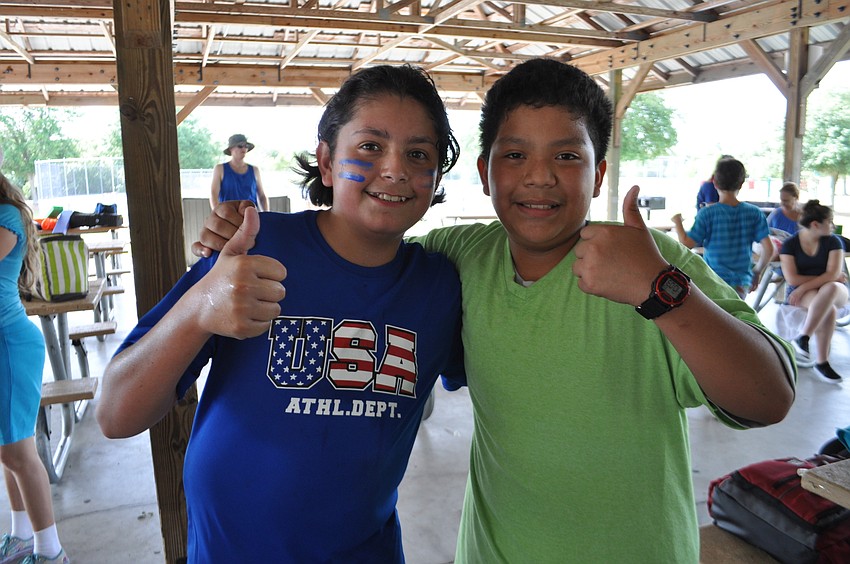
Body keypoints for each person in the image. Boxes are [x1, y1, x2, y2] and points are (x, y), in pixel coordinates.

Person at [195, 58, 796, 563]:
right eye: (514, 156)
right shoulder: (459, 258)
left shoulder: (650, 262)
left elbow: (769, 398)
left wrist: (662, 292)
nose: (539, 178)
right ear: (485, 174)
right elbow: (361, 253)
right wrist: (247, 236)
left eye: (567, 157)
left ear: (599, 172)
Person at [96, 65, 464, 562]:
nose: (395, 169)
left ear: (436, 175)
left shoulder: (443, 287)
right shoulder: (250, 247)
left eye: (418, 154)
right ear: (327, 162)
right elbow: (117, 413)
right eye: (371, 147)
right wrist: (200, 307)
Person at [0, 172, 69, 563]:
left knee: (18, 453)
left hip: (8, 343)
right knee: (7, 451)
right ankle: (22, 537)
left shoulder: (6, 215)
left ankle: (50, 551)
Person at [671, 158, 774, 299]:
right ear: (742, 183)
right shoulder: (754, 213)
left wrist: (678, 222)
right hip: (741, 282)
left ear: (715, 183)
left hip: (713, 280)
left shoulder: (707, 213)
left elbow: (686, 244)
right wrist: (757, 272)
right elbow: (769, 249)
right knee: (734, 317)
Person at [780, 199, 847, 383]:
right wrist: (826, 277)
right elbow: (792, 278)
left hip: (831, 291)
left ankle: (804, 336)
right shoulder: (790, 245)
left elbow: (833, 275)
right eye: (830, 222)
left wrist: (804, 286)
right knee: (829, 309)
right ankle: (822, 362)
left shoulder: (834, 241)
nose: (833, 226)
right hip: (805, 294)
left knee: (831, 287)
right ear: (816, 224)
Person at [209, 133, 269, 211]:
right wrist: (218, 214)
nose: (243, 149)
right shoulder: (220, 169)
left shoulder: (255, 170)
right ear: (231, 149)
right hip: (228, 216)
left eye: (246, 146)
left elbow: (261, 196)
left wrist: (266, 215)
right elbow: (213, 195)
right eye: (240, 146)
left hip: (250, 216)